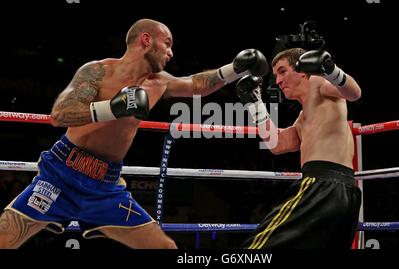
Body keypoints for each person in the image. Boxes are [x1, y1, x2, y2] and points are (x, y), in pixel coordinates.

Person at [0, 18, 268, 249]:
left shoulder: (159, 83)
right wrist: (112, 108)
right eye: (168, 43)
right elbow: (60, 114)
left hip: (106, 186)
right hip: (61, 175)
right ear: (146, 39)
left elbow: (198, 85)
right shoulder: (98, 71)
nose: (171, 52)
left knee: (165, 246)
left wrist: (235, 68)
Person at [235, 47, 362, 248]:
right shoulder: (304, 116)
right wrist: (254, 104)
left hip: (320, 185)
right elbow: (278, 145)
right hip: (345, 192)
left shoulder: (319, 83)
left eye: (283, 71)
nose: (278, 81)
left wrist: (331, 69)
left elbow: (354, 92)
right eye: (276, 75)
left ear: (303, 70)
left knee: (256, 248)